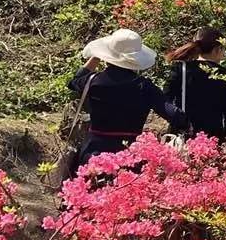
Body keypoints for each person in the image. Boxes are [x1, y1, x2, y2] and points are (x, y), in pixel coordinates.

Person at [69, 29, 186, 173]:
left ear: (108, 55)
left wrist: (97, 56)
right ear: (136, 59)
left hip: (93, 152)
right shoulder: (144, 86)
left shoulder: (93, 81)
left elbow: (73, 82)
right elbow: (173, 114)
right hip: (129, 156)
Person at [164, 27, 226, 144]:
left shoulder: (181, 69)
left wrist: (177, 119)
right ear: (217, 49)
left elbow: (165, 99)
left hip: (183, 135)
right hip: (212, 137)